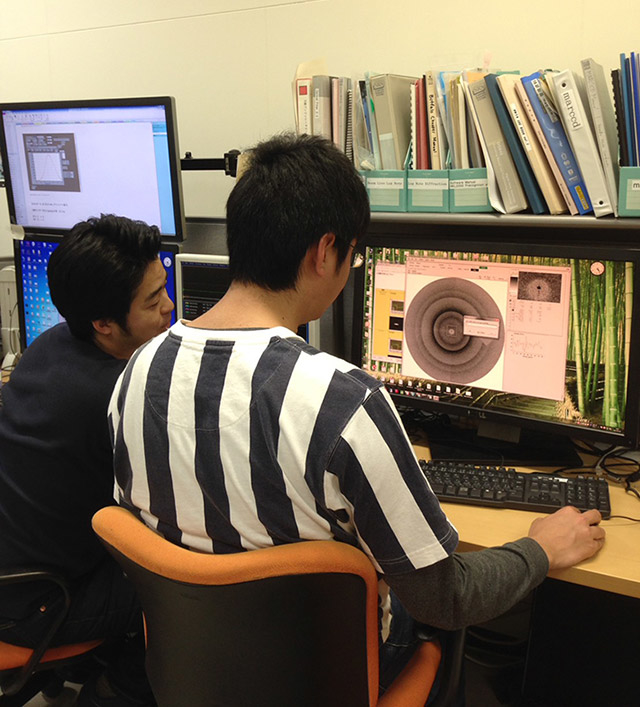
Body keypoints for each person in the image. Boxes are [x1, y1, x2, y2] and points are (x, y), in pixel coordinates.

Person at [109, 134, 605, 700]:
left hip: (196, 672)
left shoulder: (135, 373)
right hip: (325, 678)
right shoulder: (343, 401)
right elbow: (445, 599)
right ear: (324, 252)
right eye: (353, 254)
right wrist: (541, 546)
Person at [0, 214, 174, 706]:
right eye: (152, 300)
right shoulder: (116, 395)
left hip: (13, 568)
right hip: (33, 605)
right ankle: (112, 692)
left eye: (163, 287)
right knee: (176, 589)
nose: (169, 307)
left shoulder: (47, 346)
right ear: (103, 323)